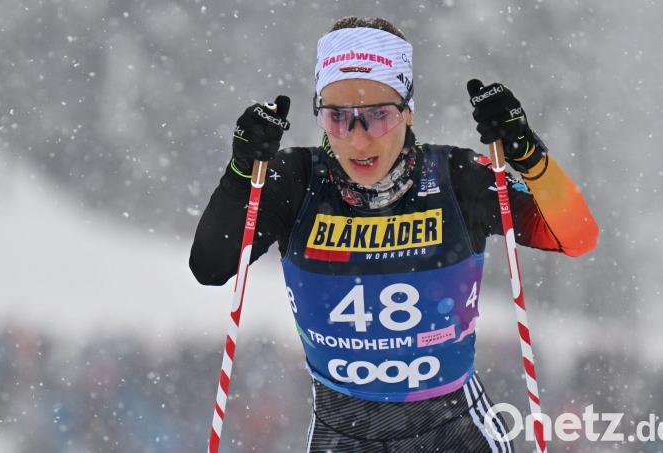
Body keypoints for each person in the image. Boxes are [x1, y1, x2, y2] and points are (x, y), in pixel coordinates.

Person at [190, 16, 598, 452]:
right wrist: (239, 175)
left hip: (454, 431)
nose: (359, 140)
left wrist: (526, 152)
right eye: (337, 117)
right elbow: (210, 266)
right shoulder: (296, 180)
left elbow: (575, 236)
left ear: (408, 111)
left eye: (379, 116)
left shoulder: (456, 178)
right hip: (340, 433)